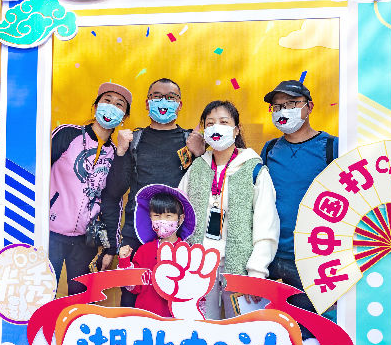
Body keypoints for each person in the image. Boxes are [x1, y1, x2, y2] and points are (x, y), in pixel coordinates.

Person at [100, 78, 205, 307]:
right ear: (147, 103)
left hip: (177, 237)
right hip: (136, 236)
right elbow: (115, 190)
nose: (163, 101)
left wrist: (199, 154)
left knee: (175, 304)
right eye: (157, 96)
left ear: (180, 104)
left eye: (170, 97)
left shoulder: (190, 140)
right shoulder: (134, 140)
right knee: (131, 304)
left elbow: (204, 190)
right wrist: (121, 151)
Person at [178, 100, 279, 320]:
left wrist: (257, 272)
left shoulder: (254, 169)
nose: (216, 128)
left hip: (240, 266)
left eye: (224, 122)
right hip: (199, 264)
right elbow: (180, 212)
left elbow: (267, 224)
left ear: (236, 129)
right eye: (210, 123)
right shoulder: (197, 167)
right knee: (201, 326)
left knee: (240, 328)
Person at [261, 79, 338, 333]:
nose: (283, 111)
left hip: (314, 260)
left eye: (292, 103)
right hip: (273, 259)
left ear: (309, 107)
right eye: (277, 106)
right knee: (276, 335)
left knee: (314, 337)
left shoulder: (332, 147)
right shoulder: (269, 149)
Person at [49, 82, 133, 296]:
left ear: (124, 117)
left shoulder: (116, 153)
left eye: (119, 104)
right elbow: (36, 172)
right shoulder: (68, 134)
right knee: (42, 293)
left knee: (81, 299)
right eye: (107, 101)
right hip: (49, 233)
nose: (111, 106)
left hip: (85, 240)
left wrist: (110, 248)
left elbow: (113, 200)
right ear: (95, 107)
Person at [117, 184, 196, 317]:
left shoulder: (188, 252)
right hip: (146, 319)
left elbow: (193, 290)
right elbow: (134, 287)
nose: (162, 221)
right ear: (150, 218)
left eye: (168, 215)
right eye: (157, 215)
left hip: (176, 320)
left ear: (180, 218)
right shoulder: (144, 250)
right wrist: (124, 261)